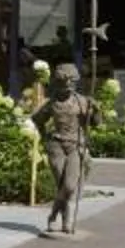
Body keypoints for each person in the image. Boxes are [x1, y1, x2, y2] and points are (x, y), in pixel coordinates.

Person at [32, 62, 95, 236]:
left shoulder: (81, 102)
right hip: (57, 146)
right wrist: (45, 138)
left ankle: (53, 214)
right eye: (63, 83)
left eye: (71, 83)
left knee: (68, 186)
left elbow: (95, 123)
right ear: (57, 83)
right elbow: (37, 119)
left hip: (75, 145)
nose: (67, 86)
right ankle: (65, 220)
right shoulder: (52, 103)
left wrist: (95, 110)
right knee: (61, 183)